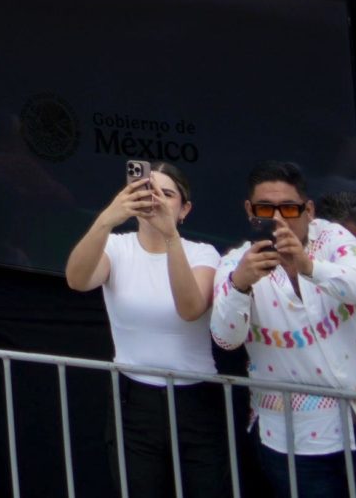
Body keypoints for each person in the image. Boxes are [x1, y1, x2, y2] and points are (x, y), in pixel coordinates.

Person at [208, 160, 356, 498]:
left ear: (309, 209)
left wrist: (308, 266)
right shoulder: (234, 263)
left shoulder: (333, 237)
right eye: (265, 208)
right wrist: (240, 285)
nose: (278, 218)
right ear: (249, 211)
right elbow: (225, 338)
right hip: (295, 441)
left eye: (289, 207)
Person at [62, 166, 225, 498]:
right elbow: (77, 280)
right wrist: (107, 218)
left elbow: (190, 307)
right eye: (148, 192)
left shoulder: (202, 253)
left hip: (195, 397)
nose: (156, 202)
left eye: (167, 195)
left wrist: (170, 238)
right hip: (133, 399)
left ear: (185, 209)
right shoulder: (117, 248)